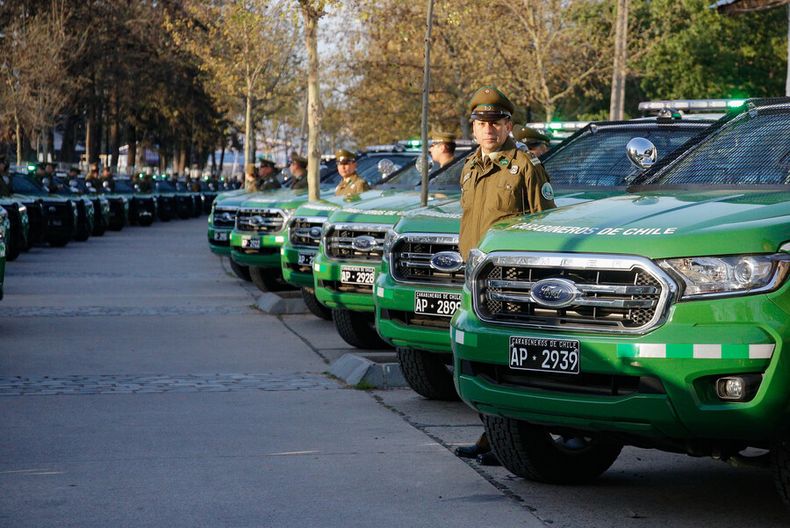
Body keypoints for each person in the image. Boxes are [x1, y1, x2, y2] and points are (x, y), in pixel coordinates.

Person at [455, 86, 557, 466]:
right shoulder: (470, 167)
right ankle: (492, 436)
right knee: (477, 358)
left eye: (496, 122)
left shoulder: (525, 166)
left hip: (512, 283)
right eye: (481, 123)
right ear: (473, 128)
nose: (488, 129)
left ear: (508, 125)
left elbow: (545, 224)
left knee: (509, 363)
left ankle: (507, 441)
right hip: (475, 280)